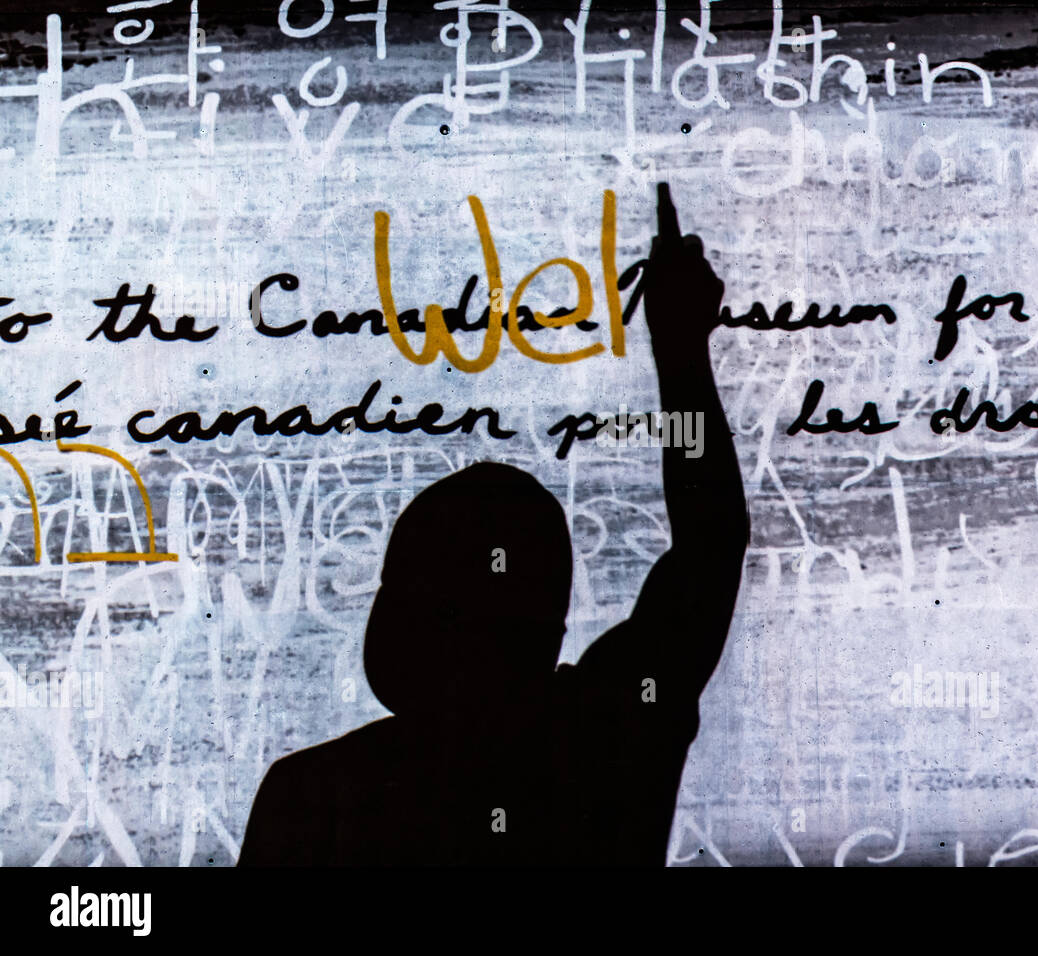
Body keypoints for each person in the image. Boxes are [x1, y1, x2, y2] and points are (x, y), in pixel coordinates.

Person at [238, 183, 749, 866]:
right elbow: (711, 545)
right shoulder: (607, 740)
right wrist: (681, 349)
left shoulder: (314, 796)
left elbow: (711, 548)